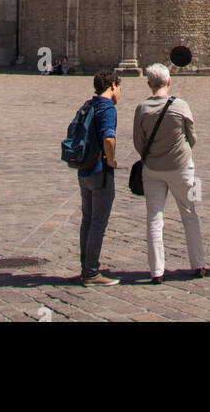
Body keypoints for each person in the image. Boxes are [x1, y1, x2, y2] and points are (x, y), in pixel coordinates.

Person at [133, 63, 206, 284]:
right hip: (183, 169)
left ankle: (157, 271)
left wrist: (153, 154)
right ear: (169, 81)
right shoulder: (181, 106)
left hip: (153, 170)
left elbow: (138, 142)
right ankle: (199, 264)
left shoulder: (142, 109)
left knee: (154, 219)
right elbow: (192, 137)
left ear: (149, 84)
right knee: (190, 214)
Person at [77, 69, 121, 286]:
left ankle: (86, 267)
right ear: (113, 85)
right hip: (99, 170)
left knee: (87, 219)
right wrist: (111, 160)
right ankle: (92, 272)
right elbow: (109, 138)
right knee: (97, 222)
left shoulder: (88, 105)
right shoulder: (107, 108)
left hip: (83, 170)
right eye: (119, 87)